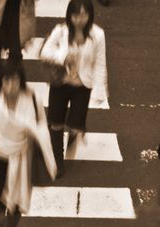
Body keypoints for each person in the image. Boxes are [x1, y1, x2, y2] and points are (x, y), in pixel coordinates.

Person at [0, 59, 56, 227]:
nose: (11, 86)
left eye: (14, 80)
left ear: (20, 81)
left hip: (23, 157)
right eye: (6, 81)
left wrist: (50, 162)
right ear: (1, 82)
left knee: (17, 204)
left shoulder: (32, 98)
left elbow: (41, 129)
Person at [40, 0, 108, 178]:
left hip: (81, 86)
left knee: (75, 126)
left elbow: (100, 64)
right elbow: (45, 52)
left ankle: (74, 134)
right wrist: (62, 56)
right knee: (55, 124)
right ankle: (57, 161)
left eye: (84, 15)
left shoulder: (98, 35)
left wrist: (100, 90)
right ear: (69, 15)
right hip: (60, 83)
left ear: (90, 15)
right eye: (76, 15)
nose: (80, 19)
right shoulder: (61, 31)